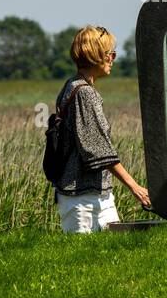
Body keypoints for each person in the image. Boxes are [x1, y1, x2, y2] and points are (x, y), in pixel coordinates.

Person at [53, 25, 150, 232]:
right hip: (82, 198)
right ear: (96, 56)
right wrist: (135, 187)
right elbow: (97, 150)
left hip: (96, 195)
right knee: (82, 261)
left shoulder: (73, 85)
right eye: (110, 53)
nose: (113, 58)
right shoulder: (84, 93)